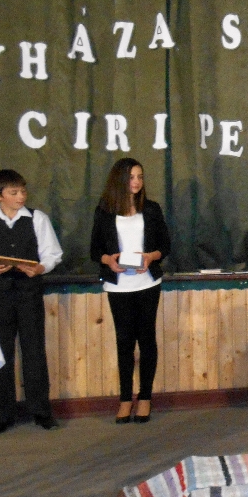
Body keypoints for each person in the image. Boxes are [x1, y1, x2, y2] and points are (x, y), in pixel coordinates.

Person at [0, 169, 63, 434]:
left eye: (23, 191)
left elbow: (52, 253)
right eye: (14, 192)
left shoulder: (37, 218)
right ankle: (4, 414)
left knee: (34, 351)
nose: (21, 196)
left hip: (29, 291)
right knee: (2, 353)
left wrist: (40, 268)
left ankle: (41, 411)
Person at [90, 158, 171, 423]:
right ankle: (126, 399)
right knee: (124, 341)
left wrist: (150, 257)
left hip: (147, 283)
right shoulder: (104, 211)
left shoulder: (151, 209)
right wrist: (109, 260)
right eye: (131, 177)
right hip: (118, 286)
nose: (136, 182)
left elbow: (165, 246)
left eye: (140, 177)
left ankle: (145, 397)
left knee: (147, 340)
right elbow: (94, 251)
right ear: (119, 180)